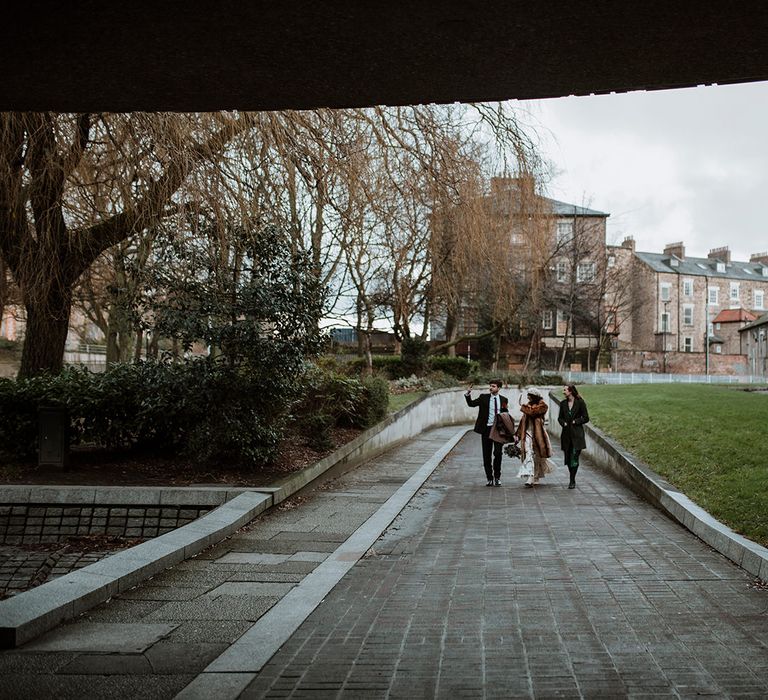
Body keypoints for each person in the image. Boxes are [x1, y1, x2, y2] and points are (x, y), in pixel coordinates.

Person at [464, 380, 509, 486]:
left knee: (498, 453)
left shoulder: (504, 400)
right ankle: (489, 478)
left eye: (493, 386)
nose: (491, 388)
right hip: (486, 430)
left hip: (498, 430)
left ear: (499, 388)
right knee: (486, 455)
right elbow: (471, 404)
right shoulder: (483, 397)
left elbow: (505, 414)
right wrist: (468, 394)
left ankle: (497, 477)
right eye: (490, 386)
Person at [516, 387, 553, 487]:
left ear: (534, 396)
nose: (528, 397)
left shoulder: (543, 406)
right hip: (527, 434)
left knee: (537, 457)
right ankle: (530, 477)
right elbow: (522, 421)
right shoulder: (527, 406)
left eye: (529, 395)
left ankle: (536, 476)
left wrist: (523, 407)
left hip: (538, 435)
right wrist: (517, 435)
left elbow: (533, 412)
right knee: (528, 454)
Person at [557, 384, 589, 489]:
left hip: (577, 435)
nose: (563, 392)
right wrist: (563, 423)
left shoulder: (580, 402)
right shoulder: (563, 404)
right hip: (566, 435)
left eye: (565, 390)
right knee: (568, 458)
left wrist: (576, 421)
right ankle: (572, 477)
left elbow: (586, 418)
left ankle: (572, 480)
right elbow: (560, 418)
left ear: (570, 391)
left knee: (574, 458)